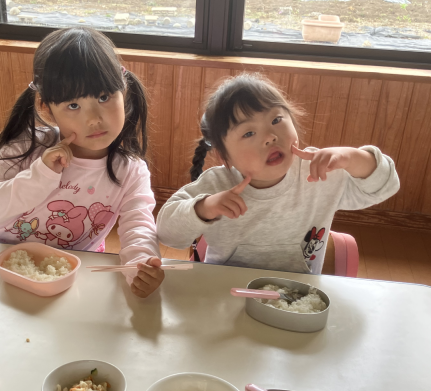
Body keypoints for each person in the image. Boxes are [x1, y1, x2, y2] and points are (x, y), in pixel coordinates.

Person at [0, 27, 164, 297]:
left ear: (124, 90)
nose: (93, 119)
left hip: (68, 276)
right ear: (48, 109)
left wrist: (140, 264)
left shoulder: (131, 171)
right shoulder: (26, 147)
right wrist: (41, 174)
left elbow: (138, 226)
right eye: (73, 106)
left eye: (104, 97)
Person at [156, 73, 400, 274]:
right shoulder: (217, 183)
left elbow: (385, 186)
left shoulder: (320, 172)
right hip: (226, 295)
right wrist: (205, 208)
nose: (270, 137)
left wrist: (353, 158)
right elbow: (167, 234)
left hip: (297, 298)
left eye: (276, 120)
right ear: (224, 156)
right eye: (249, 133)